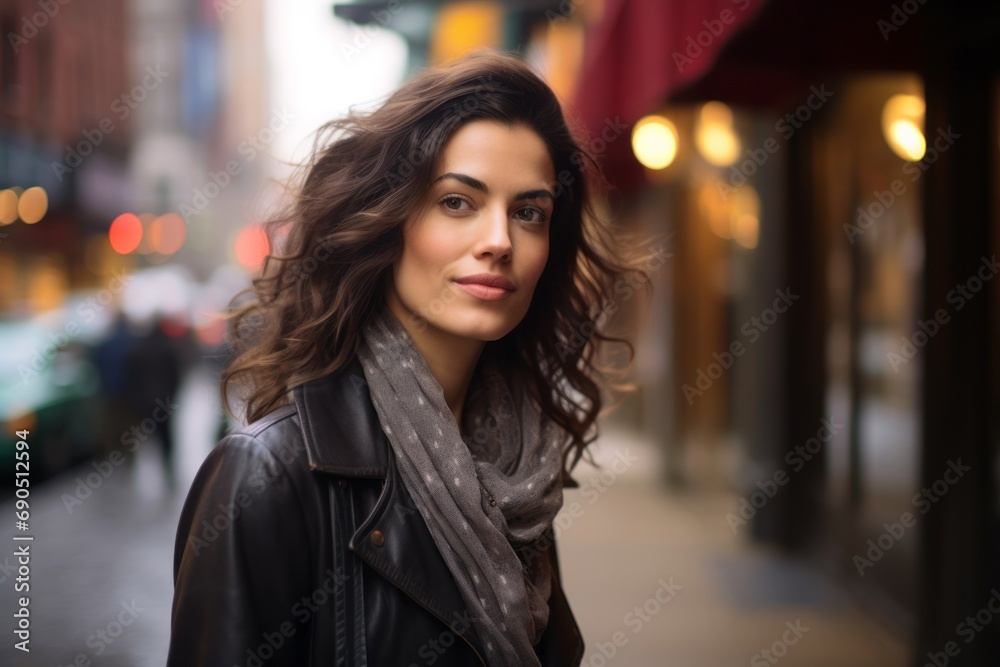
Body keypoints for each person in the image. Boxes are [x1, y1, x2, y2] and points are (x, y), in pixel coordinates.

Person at [166, 48, 657, 666]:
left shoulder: (518, 473)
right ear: (388, 220)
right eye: (458, 202)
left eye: (529, 212)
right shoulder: (267, 476)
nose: (499, 241)